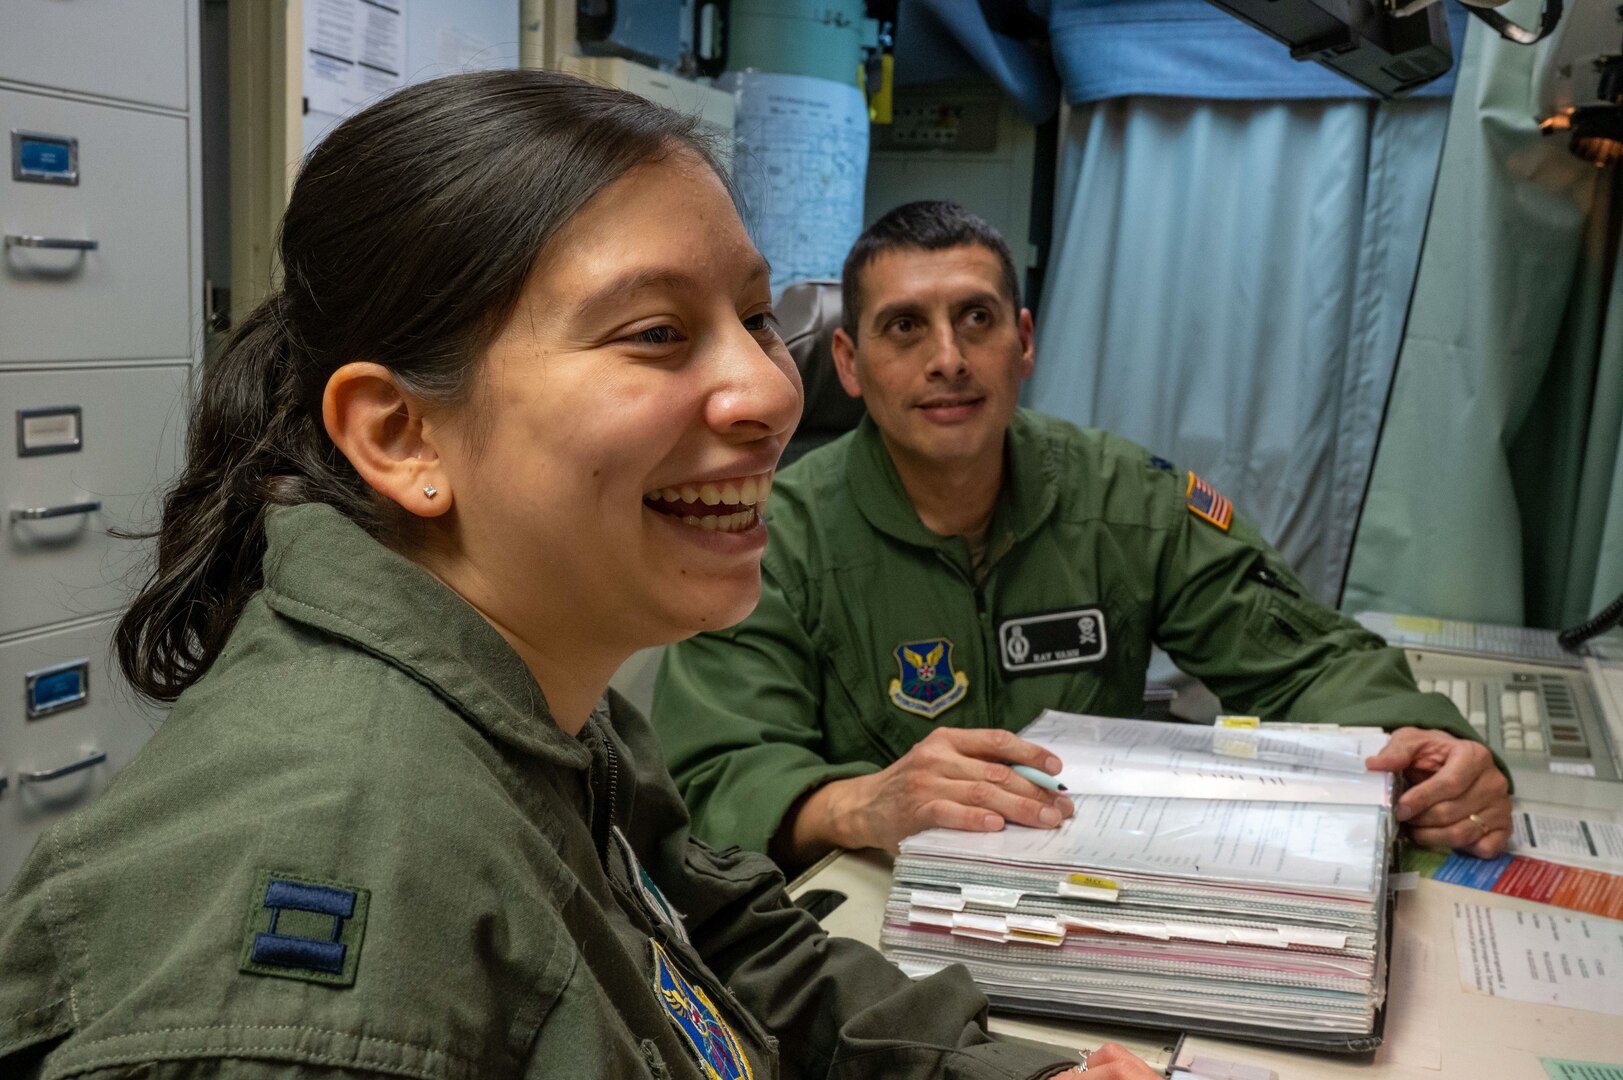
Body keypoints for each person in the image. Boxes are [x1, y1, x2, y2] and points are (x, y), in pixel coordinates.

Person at [0, 76, 1156, 1080]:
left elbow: (724, 950)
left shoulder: (534, 697)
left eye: (754, 318)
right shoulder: (329, 923)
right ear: (403, 437)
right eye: (656, 332)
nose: (769, 393)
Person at [651, 200, 1513, 869]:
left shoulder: (1124, 500)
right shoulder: (771, 536)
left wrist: (1431, 748)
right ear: (847, 363)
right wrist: (861, 805)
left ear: (1022, 343)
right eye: (905, 326)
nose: (947, 357)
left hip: (1092, 891)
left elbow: (1311, 660)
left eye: (977, 319)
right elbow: (719, 776)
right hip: (869, 917)